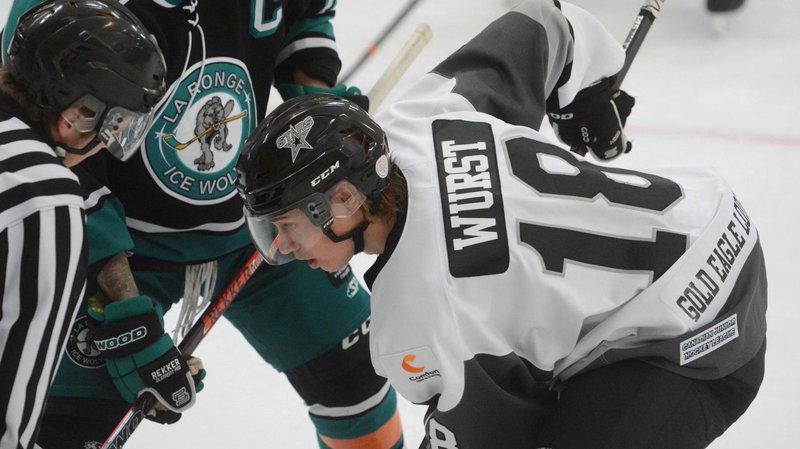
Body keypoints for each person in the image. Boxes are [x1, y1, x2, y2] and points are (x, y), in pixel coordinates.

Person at [236, 1, 768, 448]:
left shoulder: (418, 312)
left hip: (697, 329)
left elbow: (491, 434)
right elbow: (545, 23)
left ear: (345, 198)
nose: (282, 247)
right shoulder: (422, 116)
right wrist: (587, 94)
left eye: (287, 226)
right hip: (711, 221)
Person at [3, 1, 404, 448]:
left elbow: (305, 13)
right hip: (116, 247)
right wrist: (125, 309)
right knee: (62, 426)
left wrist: (313, 111)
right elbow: (41, 142)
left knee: (356, 384)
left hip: (264, 221)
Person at [0, 1, 170, 448]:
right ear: (77, 115)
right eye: (117, 125)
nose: (107, 145)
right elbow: (8, 422)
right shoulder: (45, 195)